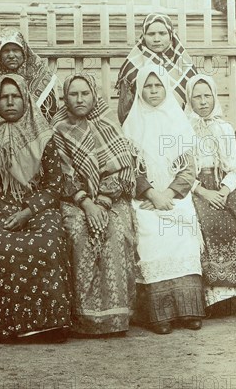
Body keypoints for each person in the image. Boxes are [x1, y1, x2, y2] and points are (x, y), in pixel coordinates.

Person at [0, 74, 71, 343]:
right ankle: (6, 326)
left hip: (36, 208)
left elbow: (55, 184)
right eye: (4, 97)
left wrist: (28, 210)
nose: (10, 102)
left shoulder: (43, 135)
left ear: (26, 99)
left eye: (15, 96)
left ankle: (46, 327)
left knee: (47, 243)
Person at [52, 73, 138, 336]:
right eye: (73, 94)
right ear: (65, 98)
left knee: (117, 231)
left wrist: (103, 200)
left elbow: (123, 167)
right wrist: (86, 204)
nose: (79, 99)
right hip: (74, 200)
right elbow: (62, 173)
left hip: (111, 198)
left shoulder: (109, 122)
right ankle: (84, 319)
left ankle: (116, 319)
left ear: (94, 95)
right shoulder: (58, 129)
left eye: (85, 93)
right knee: (80, 232)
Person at [122, 63, 204, 335]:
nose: (154, 90)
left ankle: (188, 310)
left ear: (166, 88)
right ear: (140, 89)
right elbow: (128, 170)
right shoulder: (131, 125)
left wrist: (168, 194)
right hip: (145, 198)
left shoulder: (177, 121)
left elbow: (189, 169)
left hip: (175, 195)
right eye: (148, 85)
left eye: (158, 85)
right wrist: (151, 194)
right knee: (151, 231)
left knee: (183, 226)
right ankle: (159, 314)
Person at [184, 74, 236, 309]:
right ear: (189, 100)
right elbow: (181, 170)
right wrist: (203, 192)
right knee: (208, 221)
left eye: (207, 95)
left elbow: (233, 168)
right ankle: (217, 297)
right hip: (197, 187)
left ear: (214, 97)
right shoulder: (183, 128)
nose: (203, 101)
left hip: (222, 185)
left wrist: (224, 190)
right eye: (197, 97)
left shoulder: (224, 127)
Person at [116, 13, 197, 124]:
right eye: (151, 34)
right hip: (144, 126)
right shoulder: (132, 65)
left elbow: (194, 102)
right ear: (144, 36)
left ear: (170, 35)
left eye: (162, 33)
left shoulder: (183, 63)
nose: (156, 39)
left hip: (180, 126)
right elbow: (124, 110)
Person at [0, 28, 59, 123]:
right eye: (6, 51)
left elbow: (49, 114)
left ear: (24, 52)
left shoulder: (41, 75)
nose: (11, 55)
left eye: (15, 50)